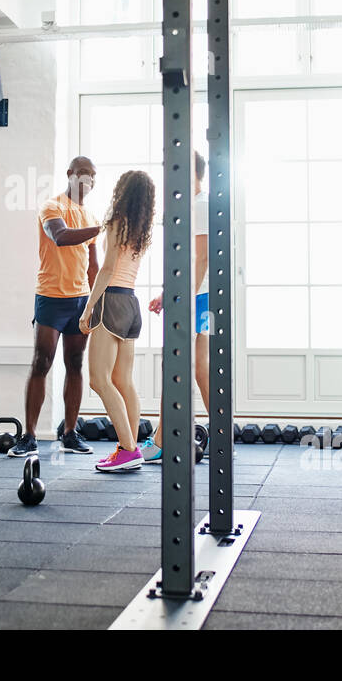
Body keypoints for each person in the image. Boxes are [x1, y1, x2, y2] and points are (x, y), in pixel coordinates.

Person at [8, 157, 102, 459]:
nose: (89, 180)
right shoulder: (53, 206)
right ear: (71, 175)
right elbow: (60, 237)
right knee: (42, 361)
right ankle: (29, 435)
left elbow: (93, 265)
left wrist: (95, 300)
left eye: (93, 176)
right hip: (50, 297)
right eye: (84, 174)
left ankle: (69, 433)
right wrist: (100, 228)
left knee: (75, 363)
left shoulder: (89, 214)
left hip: (80, 300)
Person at [80, 169, 155, 473]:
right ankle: (128, 448)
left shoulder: (116, 223)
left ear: (121, 192)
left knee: (99, 379)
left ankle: (128, 449)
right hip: (131, 304)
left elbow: (108, 269)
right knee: (123, 381)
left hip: (111, 300)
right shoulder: (141, 229)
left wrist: (88, 309)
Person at [143, 150, 209, 463]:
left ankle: (160, 440)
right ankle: (225, 436)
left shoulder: (198, 205)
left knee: (175, 367)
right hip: (200, 299)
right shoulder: (197, 203)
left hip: (196, 299)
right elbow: (186, 260)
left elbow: (201, 258)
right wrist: (166, 291)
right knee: (200, 368)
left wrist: (181, 301)